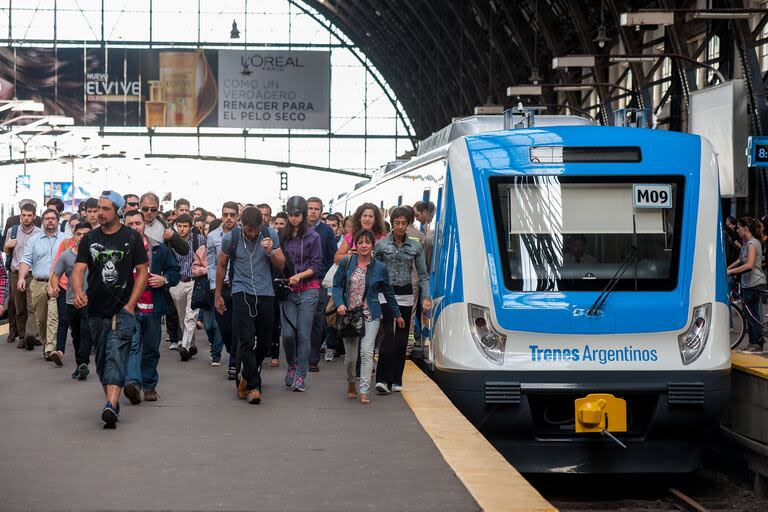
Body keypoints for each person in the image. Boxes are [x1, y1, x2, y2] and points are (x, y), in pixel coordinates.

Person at [71, 191, 149, 428]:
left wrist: (131, 304)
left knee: (116, 355)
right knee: (103, 361)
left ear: (117, 211)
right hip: (95, 308)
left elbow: (143, 271)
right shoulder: (89, 239)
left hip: (122, 309)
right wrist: (78, 291)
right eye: (98, 208)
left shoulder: (132, 238)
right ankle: (110, 401)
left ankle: (111, 405)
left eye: (106, 209)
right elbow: (78, 269)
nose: (100, 213)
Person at [215, 207, 284, 404]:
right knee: (245, 339)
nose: (252, 233)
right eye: (249, 229)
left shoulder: (270, 234)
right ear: (241, 224)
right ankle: (254, 386)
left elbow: (281, 264)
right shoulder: (232, 238)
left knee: (264, 342)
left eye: (255, 229)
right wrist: (218, 295)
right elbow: (222, 265)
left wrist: (270, 251)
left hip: (265, 293)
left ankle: (246, 374)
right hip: (240, 291)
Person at [332, 229, 403, 404]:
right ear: (356, 244)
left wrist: (397, 314)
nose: (364, 245)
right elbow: (336, 284)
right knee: (350, 358)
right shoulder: (347, 262)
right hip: (349, 315)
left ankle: (364, 389)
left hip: (371, 314)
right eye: (361, 242)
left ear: (372, 245)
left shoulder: (380, 267)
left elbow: (389, 292)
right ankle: (351, 382)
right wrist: (340, 303)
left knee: (366, 353)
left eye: (367, 242)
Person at [123, 210, 180, 404]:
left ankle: (148, 385)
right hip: (129, 308)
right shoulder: (118, 249)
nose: (134, 227)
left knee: (151, 349)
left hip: (153, 308)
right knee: (132, 345)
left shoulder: (158, 248)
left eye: (137, 223)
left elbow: (174, 271)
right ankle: (133, 384)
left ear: (144, 225)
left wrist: (164, 279)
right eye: (129, 224)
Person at [373, 207, 431, 394]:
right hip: (386, 294)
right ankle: (382, 379)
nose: (399, 226)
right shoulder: (381, 245)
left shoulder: (415, 246)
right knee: (388, 335)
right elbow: (374, 272)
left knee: (402, 339)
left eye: (403, 223)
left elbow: (423, 275)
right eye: (396, 222)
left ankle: (396, 379)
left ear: (408, 224)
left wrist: (426, 297)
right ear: (392, 222)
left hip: (406, 294)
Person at [279, 197, 322, 391]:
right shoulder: (282, 235)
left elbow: (316, 265)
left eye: (297, 215)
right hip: (287, 290)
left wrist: (299, 276)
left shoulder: (314, 236)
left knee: (304, 335)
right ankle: (292, 364)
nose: (294, 218)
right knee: (288, 334)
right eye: (291, 215)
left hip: (309, 289)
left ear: (303, 215)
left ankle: (300, 376)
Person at [18, 208, 68, 362]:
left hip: (57, 283)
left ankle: (50, 349)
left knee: (54, 316)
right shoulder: (34, 240)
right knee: (41, 319)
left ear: (57, 221)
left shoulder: (66, 239)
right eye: (47, 218)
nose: (50, 221)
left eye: (53, 218)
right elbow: (26, 261)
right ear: (42, 221)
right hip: (38, 283)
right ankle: (47, 342)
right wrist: (21, 278)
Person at [50, 222, 93, 380]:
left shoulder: (97, 255)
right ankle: (79, 365)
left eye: (86, 235)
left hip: (91, 301)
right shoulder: (66, 255)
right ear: (73, 236)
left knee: (86, 331)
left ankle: (84, 364)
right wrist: (55, 288)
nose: (82, 237)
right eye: (79, 234)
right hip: (71, 300)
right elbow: (55, 275)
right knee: (76, 334)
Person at [207, 202, 239, 379]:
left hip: (240, 288)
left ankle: (234, 363)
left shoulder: (243, 234)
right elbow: (212, 265)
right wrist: (215, 290)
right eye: (225, 214)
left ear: (237, 216)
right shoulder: (213, 237)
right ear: (221, 215)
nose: (229, 218)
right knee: (225, 329)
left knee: (238, 327)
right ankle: (232, 350)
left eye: (232, 214)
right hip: (222, 287)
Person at [4, 201, 42, 349]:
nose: (26, 218)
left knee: (32, 306)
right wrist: (7, 246)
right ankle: (22, 335)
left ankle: (30, 336)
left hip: (32, 274)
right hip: (15, 273)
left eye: (29, 215)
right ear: (20, 216)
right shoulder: (12, 231)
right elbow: (7, 252)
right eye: (23, 215)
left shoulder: (39, 233)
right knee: (19, 308)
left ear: (34, 216)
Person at [306, 197, 337, 373]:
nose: (313, 211)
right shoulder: (298, 229)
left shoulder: (326, 231)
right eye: (310, 208)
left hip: (319, 281)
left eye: (316, 209)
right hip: (300, 280)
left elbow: (333, 256)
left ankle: (313, 359)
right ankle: (300, 354)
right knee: (301, 321)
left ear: (321, 211)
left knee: (317, 320)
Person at [169, 213, 206, 362]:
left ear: (191, 227)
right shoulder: (171, 241)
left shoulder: (200, 239)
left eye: (185, 226)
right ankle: (192, 345)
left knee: (191, 316)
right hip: (177, 283)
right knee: (182, 317)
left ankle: (183, 347)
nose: (182, 229)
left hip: (194, 281)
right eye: (180, 226)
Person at [728, 216, 767, 353]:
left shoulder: (752, 244)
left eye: (739, 228)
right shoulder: (746, 243)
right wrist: (726, 269)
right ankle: (754, 342)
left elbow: (749, 264)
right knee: (750, 314)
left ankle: (756, 344)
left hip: (754, 283)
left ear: (745, 228)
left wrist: (730, 271)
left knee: (753, 315)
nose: (737, 230)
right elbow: (740, 260)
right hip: (747, 283)